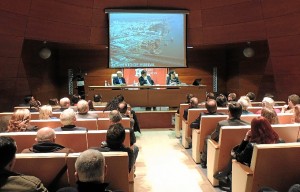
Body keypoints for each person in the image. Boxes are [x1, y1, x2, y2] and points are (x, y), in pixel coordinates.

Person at [213, 117, 279, 187]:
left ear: (253, 129)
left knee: (234, 153)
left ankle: (225, 174)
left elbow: (238, 157)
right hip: (273, 174)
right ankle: (225, 174)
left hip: (252, 175)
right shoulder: (279, 141)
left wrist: (246, 139)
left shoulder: (251, 146)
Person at [200, 102, 249, 168]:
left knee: (207, 138)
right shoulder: (248, 125)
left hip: (222, 147)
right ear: (241, 112)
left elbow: (213, 137)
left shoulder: (222, 124)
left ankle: (203, 161)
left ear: (229, 112)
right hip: (239, 148)